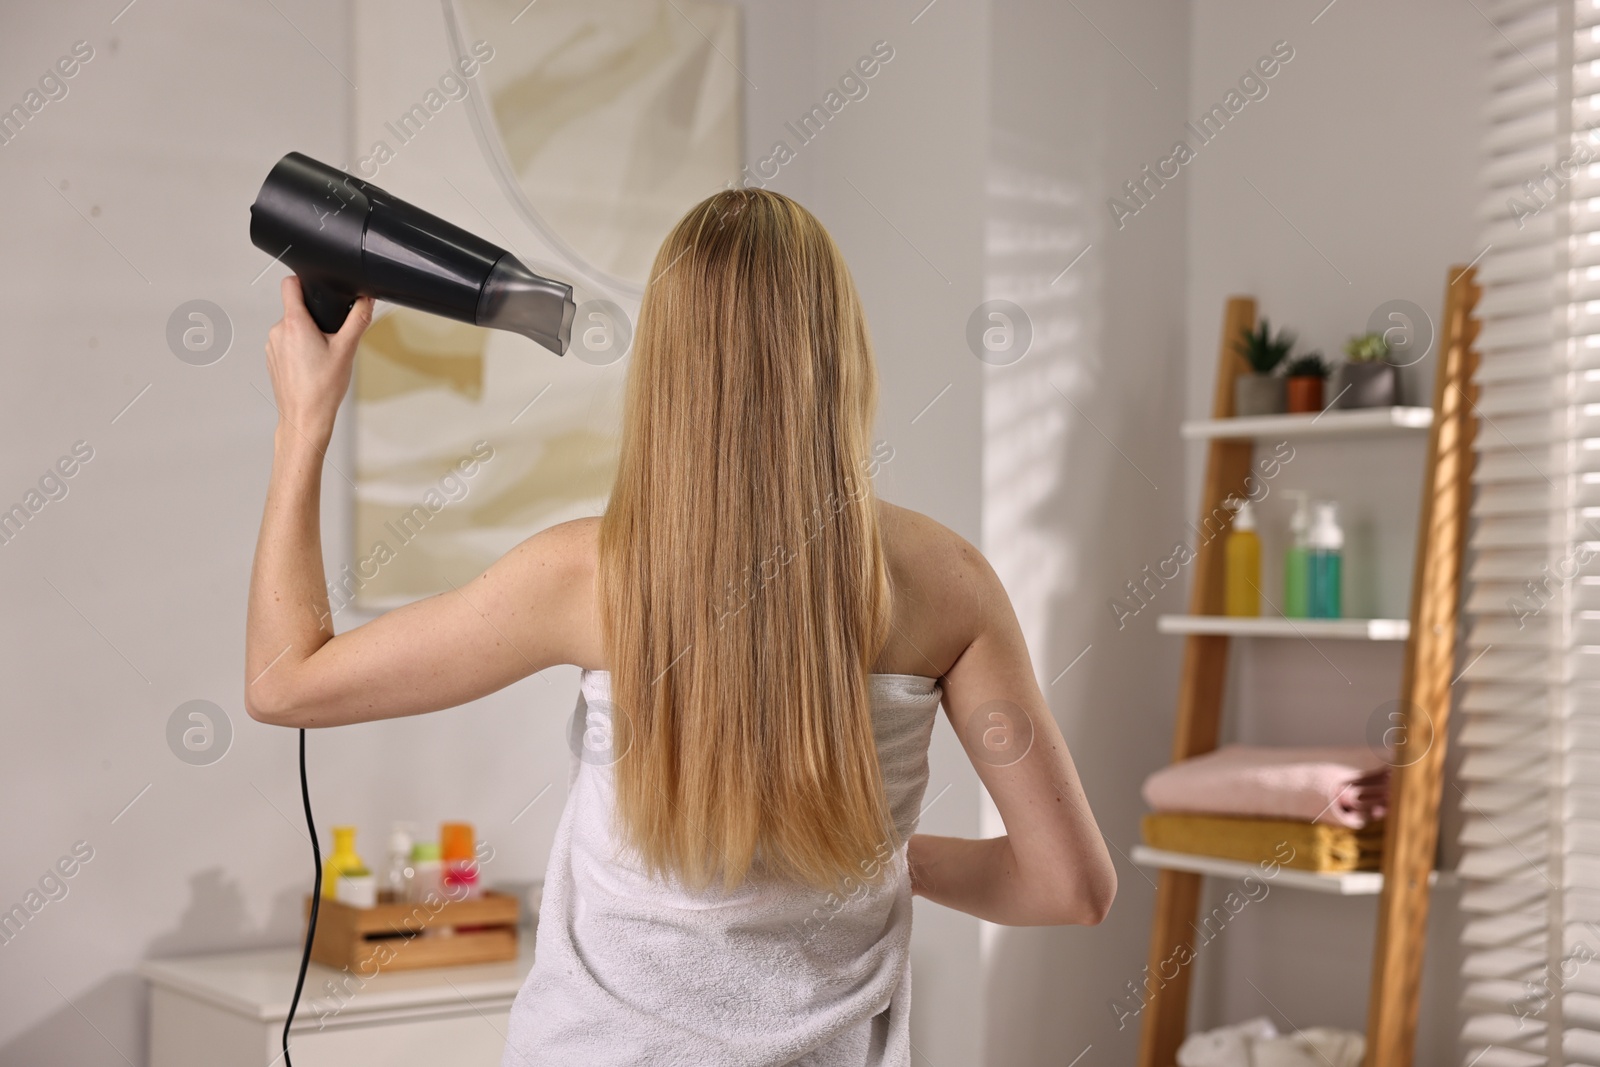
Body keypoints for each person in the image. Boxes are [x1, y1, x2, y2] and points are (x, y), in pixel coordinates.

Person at [245, 187, 1114, 1065]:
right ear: (840, 352)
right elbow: (1069, 884)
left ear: (664, 366)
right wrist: (871, 856)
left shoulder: (584, 577)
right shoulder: (948, 584)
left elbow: (285, 682)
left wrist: (303, 423)